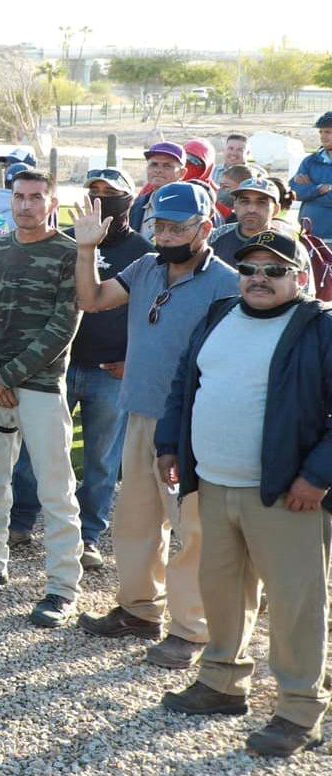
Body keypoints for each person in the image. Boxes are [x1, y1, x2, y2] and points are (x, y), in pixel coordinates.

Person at [153, 231, 331, 758]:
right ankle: (223, 682)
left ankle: (300, 710)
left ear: (300, 277)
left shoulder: (319, 328)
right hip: (214, 483)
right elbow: (185, 383)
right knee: (223, 590)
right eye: (250, 268)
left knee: (298, 603)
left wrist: (318, 476)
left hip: (286, 494)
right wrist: (169, 444)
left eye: (274, 271)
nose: (259, 279)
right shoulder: (219, 315)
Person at [62, 182, 236, 666]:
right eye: (159, 225)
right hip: (137, 412)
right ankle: (139, 610)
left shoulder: (226, 284)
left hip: (190, 425)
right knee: (136, 520)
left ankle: (192, 629)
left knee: (192, 530)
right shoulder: (144, 268)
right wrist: (85, 250)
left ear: (205, 229)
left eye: (177, 227)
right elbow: (92, 299)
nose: (165, 235)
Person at [0, 170, 84, 629]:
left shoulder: (69, 253)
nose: (26, 205)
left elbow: (63, 327)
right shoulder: (0, 250)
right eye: (19, 197)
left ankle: (62, 586)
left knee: (54, 489)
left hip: (40, 387)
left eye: (35, 197)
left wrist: (10, 375)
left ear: (52, 202)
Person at [7, 168, 152, 571]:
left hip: (111, 370)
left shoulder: (144, 251)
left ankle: (88, 536)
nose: (101, 198)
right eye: (94, 191)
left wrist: (134, 361)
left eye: (111, 193)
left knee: (102, 461)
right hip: (58, 365)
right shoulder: (65, 239)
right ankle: (19, 522)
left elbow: (150, 316)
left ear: (129, 199)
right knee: (35, 451)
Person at [211, 177, 293, 261]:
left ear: (276, 209)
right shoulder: (216, 237)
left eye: (261, 203)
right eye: (244, 201)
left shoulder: (287, 245)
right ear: (235, 206)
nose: (251, 209)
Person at [289, 112, 332, 240]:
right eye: (321, 132)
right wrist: (318, 189)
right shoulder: (310, 161)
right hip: (309, 237)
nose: (323, 137)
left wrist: (309, 192)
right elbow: (294, 191)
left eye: (328, 132)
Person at [132, 142, 187, 239]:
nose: (158, 170)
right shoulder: (137, 205)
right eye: (154, 164)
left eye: (167, 166)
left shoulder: (190, 207)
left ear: (182, 173)